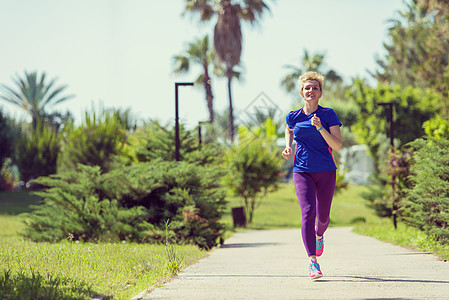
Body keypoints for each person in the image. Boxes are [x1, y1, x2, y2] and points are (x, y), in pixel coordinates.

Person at [282, 71, 342, 280]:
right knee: (308, 213)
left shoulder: (328, 115)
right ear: (302, 92)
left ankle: (319, 236)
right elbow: (290, 130)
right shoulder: (293, 116)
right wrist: (288, 146)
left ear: (320, 92)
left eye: (315, 87)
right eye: (307, 87)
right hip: (302, 170)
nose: (311, 90)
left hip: (326, 170)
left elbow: (337, 145)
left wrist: (319, 128)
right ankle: (312, 262)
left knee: (323, 217)